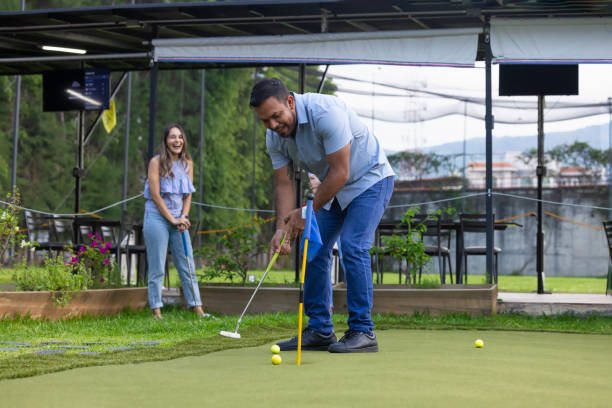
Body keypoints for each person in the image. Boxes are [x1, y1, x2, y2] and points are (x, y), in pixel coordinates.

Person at [250, 78, 394, 353]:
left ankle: (363, 331)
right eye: (265, 121)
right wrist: (282, 229)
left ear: (290, 102)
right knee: (312, 247)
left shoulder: (326, 113)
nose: (272, 126)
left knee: (353, 245)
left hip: (370, 180)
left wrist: (306, 212)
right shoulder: (274, 136)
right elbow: (283, 183)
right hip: (334, 188)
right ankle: (319, 329)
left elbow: (342, 172)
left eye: (276, 116)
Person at [143, 123, 206, 319]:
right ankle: (156, 311)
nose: (177, 141)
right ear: (165, 141)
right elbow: (155, 195)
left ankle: (197, 308)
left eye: (180, 137)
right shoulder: (155, 162)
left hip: (179, 220)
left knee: (187, 265)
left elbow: (188, 195)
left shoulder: (188, 163)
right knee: (157, 267)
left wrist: (184, 217)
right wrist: (173, 219)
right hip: (157, 218)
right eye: (172, 137)